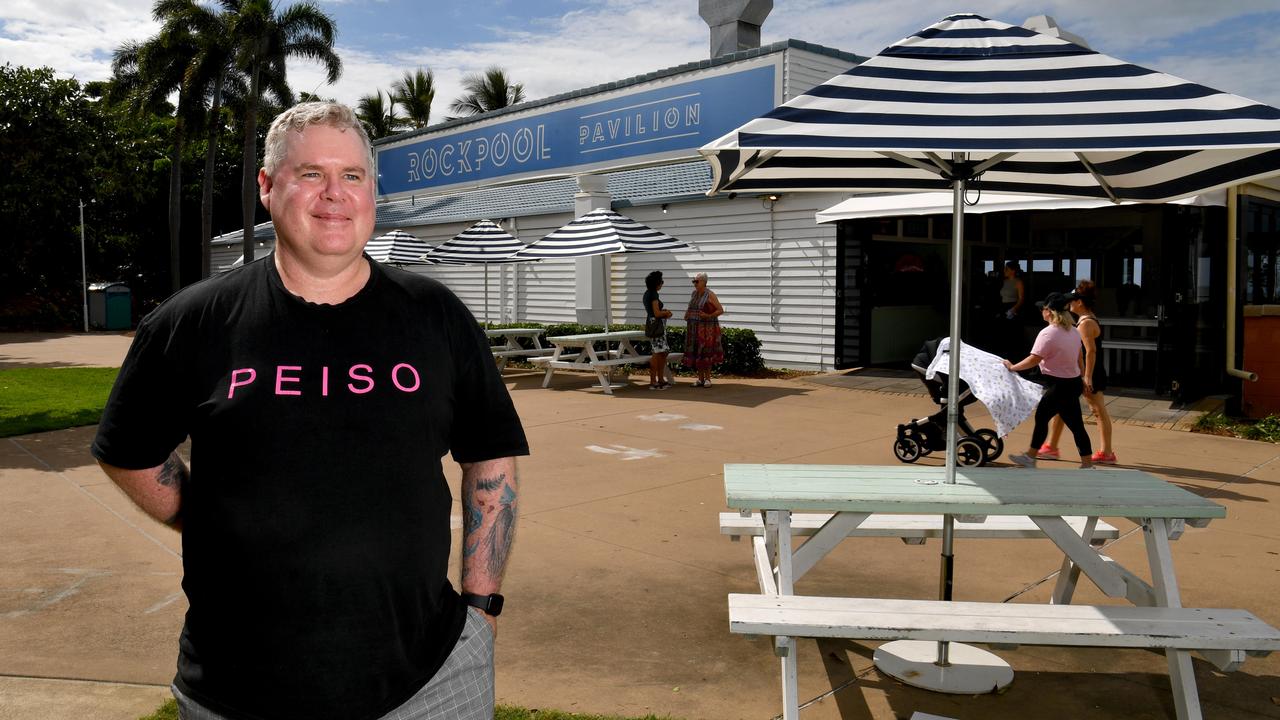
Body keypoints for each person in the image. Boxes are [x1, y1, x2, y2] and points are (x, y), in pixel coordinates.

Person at [90, 102, 528, 720]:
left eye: (353, 176)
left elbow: (490, 454)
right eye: (311, 174)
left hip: (428, 680)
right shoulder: (192, 321)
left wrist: (481, 610)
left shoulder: (436, 315)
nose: (335, 195)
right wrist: (210, 521)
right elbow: (128, 450)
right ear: (267, 188)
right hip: (238, 685)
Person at [1002, 291, 1094, 469]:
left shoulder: (1047, 333)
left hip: (1059, 385)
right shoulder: (1074, 331)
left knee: (1042, 417)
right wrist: (1082, 377)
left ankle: (1030, 457)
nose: (1041, 312)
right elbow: (1080, 357)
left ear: (1050, 312)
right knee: (1076, 424)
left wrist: (1012, 367)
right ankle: (1087, 464)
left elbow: (1034, 359)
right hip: (1073, 383)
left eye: (1042, 309)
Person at [1041, 280, 1117, 463]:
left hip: (1089, 373)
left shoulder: (1085, 323)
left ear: (1080, 302)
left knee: (1098, 410)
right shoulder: (1086, 320)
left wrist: (1087, 377)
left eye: (1073, 300)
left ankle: (1106, 452)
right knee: (1063, 405)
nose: (1070, 304)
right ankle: (1050, 446)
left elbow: (1090, 351)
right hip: (1080, 372)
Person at [683, 271, 725, 387]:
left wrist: (708, 316)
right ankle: (700, 379)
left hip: (707, 329)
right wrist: (687, 314)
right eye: (694, 281)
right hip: (694, 329)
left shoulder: (710, 294)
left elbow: (720, 310)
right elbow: (690, 306)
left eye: (696, 281)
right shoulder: (694, 294)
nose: (694, 283)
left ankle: (708, 379)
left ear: (704, 282)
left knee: (706, 353)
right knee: (697, 352)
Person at [642, 270, 673, 390]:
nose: (662, 284)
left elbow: (652, 311)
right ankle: (654, 381)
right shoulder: (654, 294)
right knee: (657, 353)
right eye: (661, 281)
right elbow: (656, 313)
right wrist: (666, 313)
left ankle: (659, 379)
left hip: (652, 324)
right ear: (656, 283)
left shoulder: (647, 293)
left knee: (662, 352)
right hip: (657, 327)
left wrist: (663, 312)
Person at [997, 260, 1027, 358]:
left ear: (1013, 271)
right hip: (1003, 307)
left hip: (1013, 307)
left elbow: (1021, 298)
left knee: (1012, 334)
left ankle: (1014, 355)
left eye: (1007, 269)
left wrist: (1013, 309)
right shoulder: (1004, 282)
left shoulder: (1018, 282)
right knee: (1002, 333)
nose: (1005, 270)